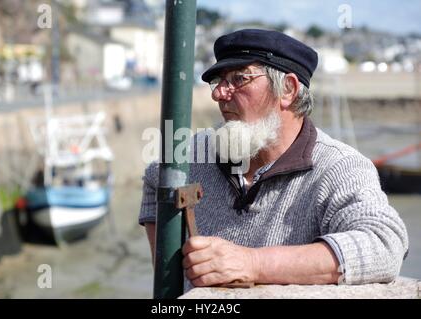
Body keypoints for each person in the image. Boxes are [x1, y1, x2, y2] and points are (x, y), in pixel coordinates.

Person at [139, 29, 409, 288]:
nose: (218, 93)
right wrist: (173, 287)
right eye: (218, 81)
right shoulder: (196, 153)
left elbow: (384, 245)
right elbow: (155, 176)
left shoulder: (338, 167)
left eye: (239, 79)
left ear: (288, 89)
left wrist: (252, 263)